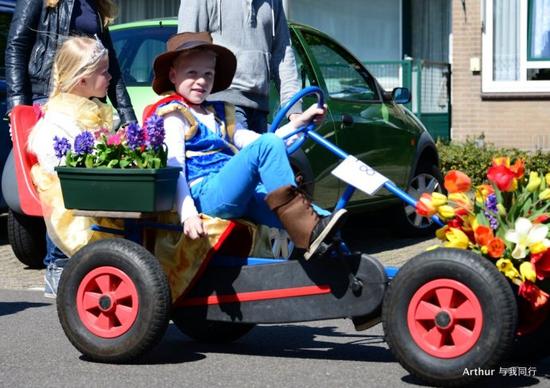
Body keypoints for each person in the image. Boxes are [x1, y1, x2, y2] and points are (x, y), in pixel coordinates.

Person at [146, 32, 346, 260]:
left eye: (208, 74)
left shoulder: (220, 112)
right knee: (270, 148)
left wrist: (299, 123)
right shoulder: (173, 114)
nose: (201, 81)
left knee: (324, 220)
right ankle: (307, 227)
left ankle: (339, 266)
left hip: (237, 193)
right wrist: (187, 214)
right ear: (173, 75)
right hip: (204, 193)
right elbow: (175, 167)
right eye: (192, 73)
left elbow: (254, 143)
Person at [5, 0, 136, 283]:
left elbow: (110, 62)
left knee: (93, 176)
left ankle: (98, 254)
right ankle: (60, 265)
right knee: (62, 178)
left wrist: (128, 118)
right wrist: (17, 108)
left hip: (87, 94)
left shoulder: (96, 5)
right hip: (49, 95)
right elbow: (17, 46)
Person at [27, 36, 117, 297]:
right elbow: (53, 156)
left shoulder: (94, 110)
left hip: (95, 182)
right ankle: (61, 267)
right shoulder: (58, 119)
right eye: (104, 72)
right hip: (69, 187)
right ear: (82, 80)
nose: (110, 77)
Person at [177, 0, 302, 132]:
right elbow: (186, 49)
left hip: (260, 107)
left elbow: (283, 53)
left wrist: (294, 109)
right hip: (219, 105)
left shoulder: (273, 3)